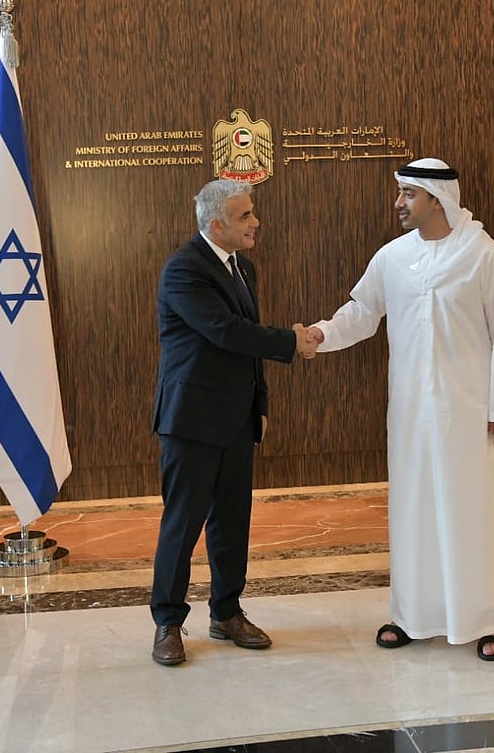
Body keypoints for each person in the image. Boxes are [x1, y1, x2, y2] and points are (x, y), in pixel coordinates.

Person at [306, 158, 494, 661]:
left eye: (408, 194)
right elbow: (361, 313)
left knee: (474, 511)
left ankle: (491, 619)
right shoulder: (392, 257)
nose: (398, 204)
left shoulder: (481, 254)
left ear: (436, 199)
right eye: (400, 193)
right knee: (413, 510)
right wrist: (322, 334)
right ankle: (413, 615)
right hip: (409, 411)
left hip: (468, 410)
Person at [150, 178, 318, 666]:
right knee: (182, 526)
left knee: (232, 524)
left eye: (253, 213)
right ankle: (167, 622)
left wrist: (260, 404)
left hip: (237, 420)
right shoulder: (184, 269)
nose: (256, 222)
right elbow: (225, 332)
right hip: (191, 420)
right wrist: (291, 341)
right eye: (246, 216)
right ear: (216, 223)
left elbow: (245, 353)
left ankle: (226, 613)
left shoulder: (243, 266)